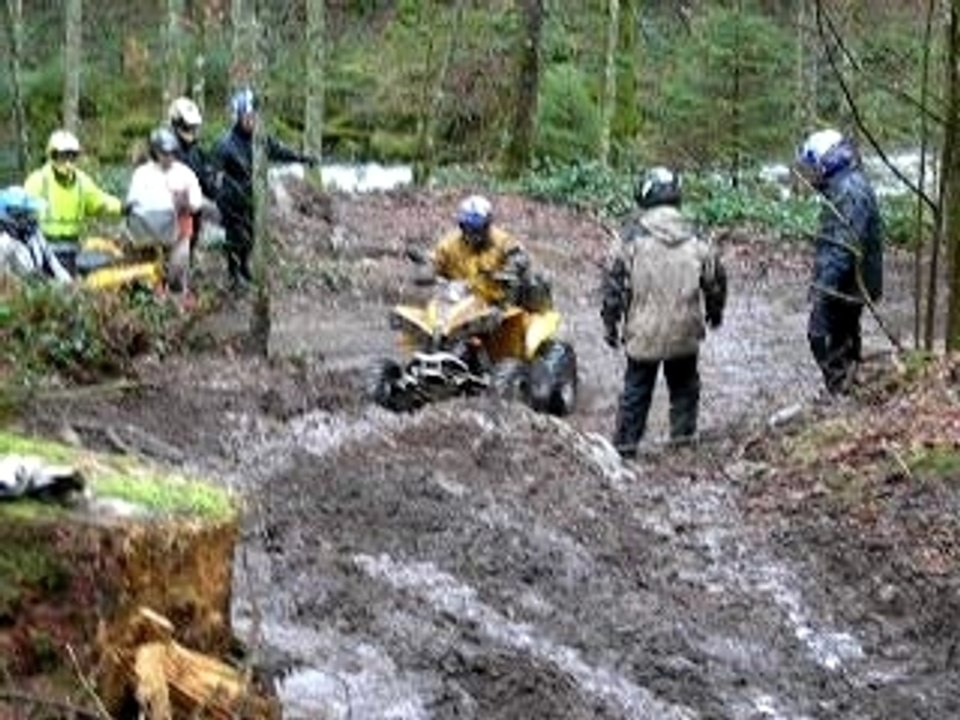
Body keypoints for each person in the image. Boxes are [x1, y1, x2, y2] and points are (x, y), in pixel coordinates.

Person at [601, 167, 727, 458]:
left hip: (642, 331)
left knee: (636, 391)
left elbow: (613, 286)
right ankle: (682, 442)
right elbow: (716, 280)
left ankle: (625, 448)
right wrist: (715, 313)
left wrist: (610, 324)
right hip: (685, 330)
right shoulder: (697, 235)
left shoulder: (630, 237)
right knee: (685, 388)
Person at [796, 128, 883, 396]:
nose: (812, 173)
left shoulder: (848, 190)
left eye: (813, 166)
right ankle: (846, 387)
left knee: (823, 337)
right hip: (849, 282)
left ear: (826, 161)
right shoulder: (847, 185)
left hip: (846, 284)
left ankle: (840, 393)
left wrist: (822, 290)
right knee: (844, 337)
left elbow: (840, 248)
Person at [213, 87, 317, 293]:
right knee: (235, 238)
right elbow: (212, 172)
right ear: (238, 117)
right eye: (248, 117)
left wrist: (303, 158)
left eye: (254, 116)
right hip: (231, 200)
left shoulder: (260, 140)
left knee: (250, 237)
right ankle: (233, 275)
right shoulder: (224, 144)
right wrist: (215, 195)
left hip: (252, 198)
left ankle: (244, 268)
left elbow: (280, 151)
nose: (252, 120)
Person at [24, 129, 124, 275]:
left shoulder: (82, 181)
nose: (68, 162)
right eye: (63, 156)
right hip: (44, 249)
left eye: (72, 156)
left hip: (73, 248)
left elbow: (99, 201)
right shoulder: (39, 180)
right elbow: (23, 206)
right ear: (52, 155)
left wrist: (123, 207)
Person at [126, 127, 204, 297]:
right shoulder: (142, 174)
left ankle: (178, 296)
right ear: (155, 152)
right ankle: (154, 297)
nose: (168, 157)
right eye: (164, 153)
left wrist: (186, 204)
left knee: (177, 272)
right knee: (149, 274)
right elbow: (132, 201)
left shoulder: (184, 173)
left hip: (179, 228)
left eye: (171, 153)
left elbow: (197, 202)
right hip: (148, 230)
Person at [432, 194, 532, 305]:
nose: (471, 234)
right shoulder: (447, 245)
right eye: (467, 227)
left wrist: (508, 271)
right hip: (459, 300)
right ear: (462, 226)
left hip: (496, 302)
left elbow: (519, 257)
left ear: (487, 225)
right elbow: (432, 267)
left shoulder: (503, 241)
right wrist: (441, 281)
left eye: (477, 228)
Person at [167, 96, 218, 261]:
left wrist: (218, 193)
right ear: (176, 124)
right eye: (187, 126)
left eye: (193, 127)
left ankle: (185, 267)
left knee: (189, 244)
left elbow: (205, 179)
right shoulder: (165, 150)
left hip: (193, 210)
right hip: (172, 211)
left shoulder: (196, 151)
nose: (191, 130)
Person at [0, 185, 72, 283]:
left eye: (29, 213)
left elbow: (53, 262)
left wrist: (69, 283)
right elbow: (5, 280)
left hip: (41, 286)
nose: (29, 218)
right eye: (24, 214)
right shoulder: (4, 244)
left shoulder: (34, 235)